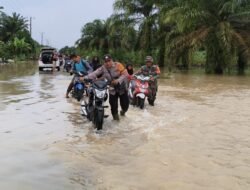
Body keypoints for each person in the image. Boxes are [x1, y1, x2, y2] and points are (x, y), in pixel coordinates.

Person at [84, 54, 129, 120]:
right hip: (112, 88)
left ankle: (123, 112)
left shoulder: (118, 65)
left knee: (125, 106)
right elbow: (95, 73)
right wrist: (85, 77)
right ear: (104, 62)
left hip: (122, 87)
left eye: (109, 61)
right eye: (106, 61)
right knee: (113, 106)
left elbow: (125, 74)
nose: (107, 63)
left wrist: (118, 80)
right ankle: (116, 120)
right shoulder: (103, 68)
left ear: (112, 60)